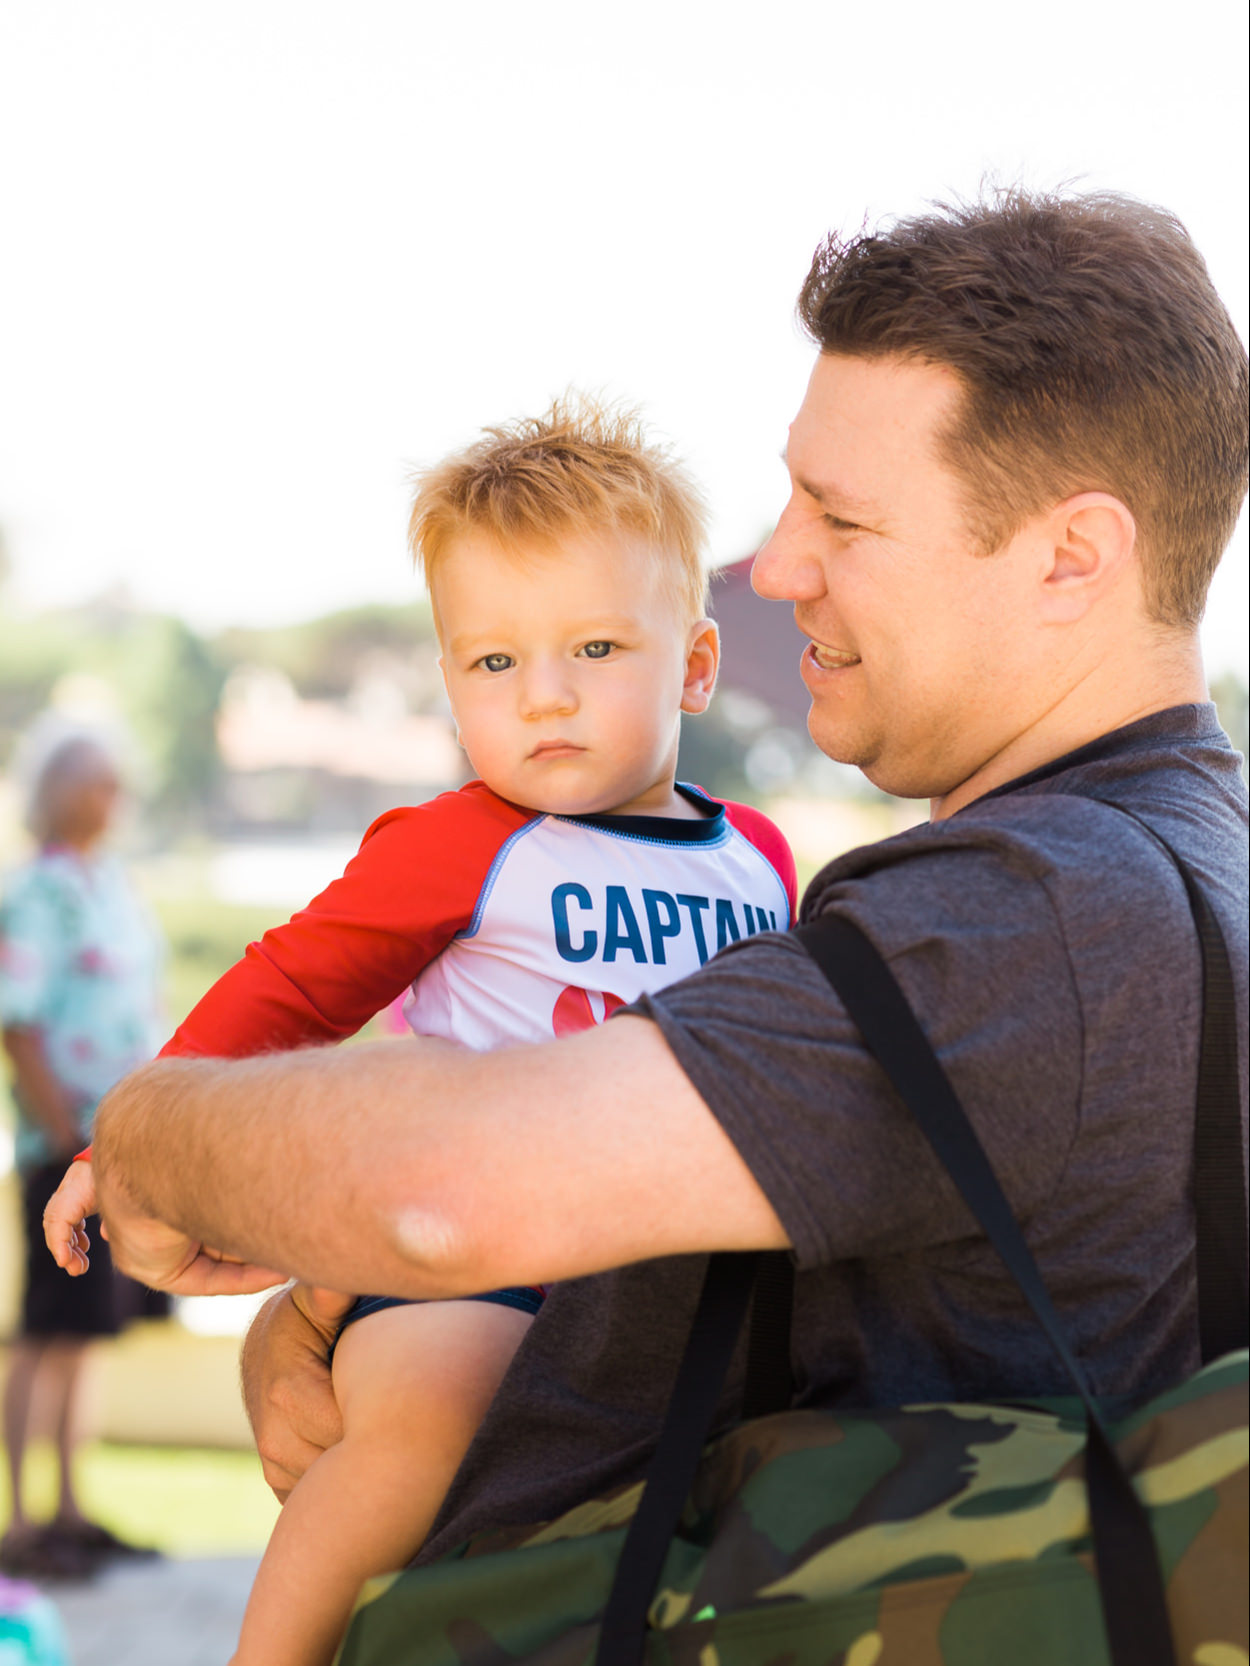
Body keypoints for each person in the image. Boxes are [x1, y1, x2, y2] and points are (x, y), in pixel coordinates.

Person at [65, 190, 1248, 1583]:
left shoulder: (1031, 910)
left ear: (1071, 555)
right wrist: (338, 1310)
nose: (775, 564)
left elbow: (442, 1187)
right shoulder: (1184, 855)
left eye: (842, 517)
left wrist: (151, 1128)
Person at [45, 398, 796, 1663]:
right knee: (423, 1431)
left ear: (696, 666)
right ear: (450, 680)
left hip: (673, 1264)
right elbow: (288, 987)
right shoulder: (464, 842)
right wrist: (130, 1148)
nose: (543, 699)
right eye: (493, 663)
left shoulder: (759, 859)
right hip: (472, 1251)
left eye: (595, 649)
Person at [0, 731, 166, 1580]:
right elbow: (16, 1017)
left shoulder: (109, 884)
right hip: (65, 1146)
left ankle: (68, 1505)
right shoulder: (36, 891)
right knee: (45, 1329)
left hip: (114, 1145)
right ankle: (20, 1520)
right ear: (60, 791)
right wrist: (63, 1130)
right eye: (97, 784)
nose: (111, 797)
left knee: (86, 1331)